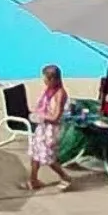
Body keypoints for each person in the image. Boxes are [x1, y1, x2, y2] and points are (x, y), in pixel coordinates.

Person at [24, 64, 74, 192]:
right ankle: (33, 180)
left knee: (48, 157)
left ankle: (65, 177)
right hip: (43, 127)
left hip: (51, 130)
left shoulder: (60, 94)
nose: (44, 81)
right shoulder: (49, 90)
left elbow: (56, 117)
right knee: (35, 153)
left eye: (45, 78)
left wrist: (41, 116)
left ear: (53, 79)